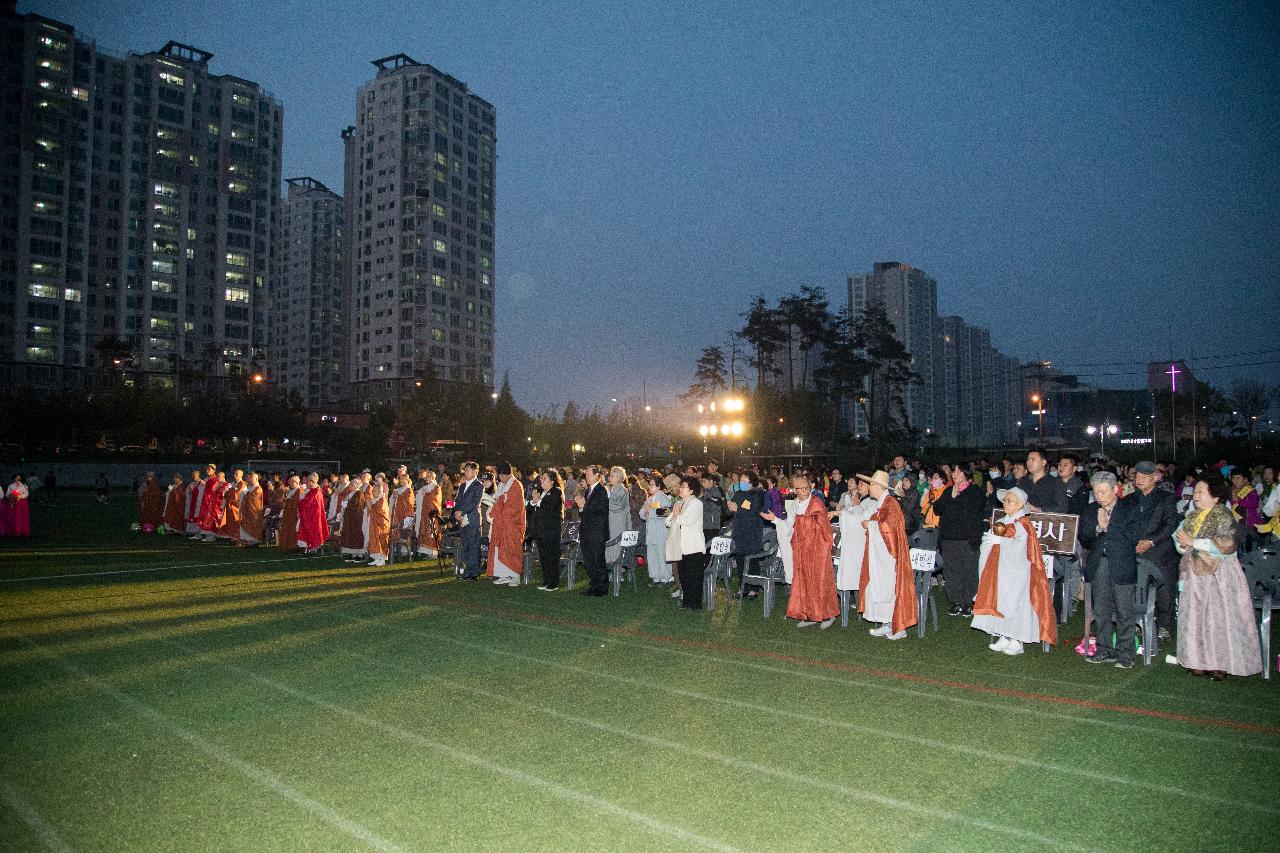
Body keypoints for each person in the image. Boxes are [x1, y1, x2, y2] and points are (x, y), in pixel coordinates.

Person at [1175, 472, 1263, 680]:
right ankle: (1197, 661)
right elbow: (1179, 540)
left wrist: (1193, 542)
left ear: (1215, 497)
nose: (1196, 496)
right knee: (1196, 617)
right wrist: (1182, 544)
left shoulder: (1223, 515)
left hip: (1219, 574)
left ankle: (1220, 665)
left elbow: (1226, 545)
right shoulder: (1192, 516)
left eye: (1202, 493)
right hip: (1196, 574)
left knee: (1218, 619)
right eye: (1196, 492)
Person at [971, 486, 1057, 655]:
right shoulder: (1004, 521)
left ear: (1020, 504)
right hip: (1001, 571)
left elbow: (1022, 549)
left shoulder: (1023, 524)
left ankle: (1017, 640)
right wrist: (989, 542)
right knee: (1001, 600)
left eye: (1010, 501)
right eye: (1005, 500)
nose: (1006, 504)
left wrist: (1001, 542)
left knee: (1015, 603)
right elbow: (992, 541)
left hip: (1017, 573)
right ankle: (1004, 635)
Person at [1078, 471, 1144, 668]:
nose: (1099, 496)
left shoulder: (1130, 508)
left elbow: (1134, 536)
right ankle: (1103, 649)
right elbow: (1084, 536)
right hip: (1100, 563)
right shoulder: (1091, 510)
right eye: (1096, 492)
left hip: (1122, 563)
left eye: (1104, 492)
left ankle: (1125, 653)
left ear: (1115, 489)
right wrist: (1097, 528)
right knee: (1101, 610)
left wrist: (1108, 526)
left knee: (1125, 610)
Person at [763, 472, 837, 628]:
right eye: (801, 488)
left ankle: (827, 615)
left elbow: (823, 527)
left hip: (817, 551)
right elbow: (790, 526)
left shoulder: (816, 503)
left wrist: (801, 521)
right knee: (804, 582)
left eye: (807, 487)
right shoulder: (794, 505)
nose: (805, 490)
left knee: (820, 582)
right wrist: (775, 520)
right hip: (802, 551)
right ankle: (809, 614)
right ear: (794, 490)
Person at [857, 470, 918, 639]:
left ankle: (899, 628)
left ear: (877, 486)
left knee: (891, 587)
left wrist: (871, 525)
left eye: (871, 484)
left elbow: (890, 528)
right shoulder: (881, 503)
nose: (869, 488)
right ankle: (888, 622)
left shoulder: (891, 503)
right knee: (882, 586)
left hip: (889, 556)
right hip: (880, 554)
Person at [1126, 460, 1179, 643]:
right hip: (1137, 551)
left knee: (1165, 592)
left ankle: (1165, 626)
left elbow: (1171, 523)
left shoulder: (1165, 497)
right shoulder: (1131, 499)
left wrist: (1151, 541)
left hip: (1160, 552)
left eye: (1144, 477)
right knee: (1138, 590)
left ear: (1154, 478)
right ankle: (1139, 625)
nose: (1139, 480)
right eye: (1137, 477)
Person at [931, 464, 985, 616]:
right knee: (952, 571)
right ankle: (957, 601)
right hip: (949, 538)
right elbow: (937, 508)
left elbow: (968, 512)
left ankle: (969, 602)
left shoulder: (975, 491)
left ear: (967, 474)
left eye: (958, 471)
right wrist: (951, 496)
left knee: (969, 570)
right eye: (954, 471)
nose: (954, 474)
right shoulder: (949, 490)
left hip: (967, 539)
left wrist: (954, 500)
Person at [667, 477, 707, 609]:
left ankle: (695, 603)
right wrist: (675, 515)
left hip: (693, 546)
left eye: (683, 486)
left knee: (694, 576)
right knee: (683, 575)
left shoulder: (696, 503)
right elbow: (667, 521)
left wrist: (676, 516)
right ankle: (687, 602)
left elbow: (688, 521)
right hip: (682, 546)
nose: (680, 488)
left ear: (691, 490)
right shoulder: (681, 503)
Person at [486, 462, 527, 587]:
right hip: (501, 522)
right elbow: (498, 500)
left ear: (509, 474)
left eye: (503, 476)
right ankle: (503, 574)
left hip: (512, 523)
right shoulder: (501, 485)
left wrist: (499, 505)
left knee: (511, 548)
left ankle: (514, 576)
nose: (501, 478)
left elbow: (515, 507)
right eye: (499, 476)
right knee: (500, 548)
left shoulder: (516, 485)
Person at [832, 474, 871, 601]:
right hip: (853, 541)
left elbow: (859, 519)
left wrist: (840, 513)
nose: (859, 487)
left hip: (861, 542)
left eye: (861, 484)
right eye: (858, 484)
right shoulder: (862, 500)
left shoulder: (870, 502)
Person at [575, 464, 610, 596]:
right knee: (589, 561)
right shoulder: (588, 491)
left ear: (597, 475)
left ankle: (602, 588)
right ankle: (593, 586)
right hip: (587, 531)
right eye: (586, 474)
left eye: (589, 474)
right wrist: (581, 508)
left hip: (597, 532)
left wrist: (584, 506)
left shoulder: (601, 490)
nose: (587, 477)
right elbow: (586, 512)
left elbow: (599, 510)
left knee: (598, 560)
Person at [531, 469, 565, 591]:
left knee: (552, 557)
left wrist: (538, 501)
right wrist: (534, 502)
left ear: (552, 481)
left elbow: (550, 509)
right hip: (541, 530)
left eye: (544, 478)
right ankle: (546, 580)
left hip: (551, 530)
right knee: (543, 557)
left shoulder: (556, 492)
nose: (541, 480)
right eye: (541, 478)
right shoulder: (541, 492)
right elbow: (535, 508)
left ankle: (553, 583)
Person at [639, 473, 674, 585]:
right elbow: (641, 512)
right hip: (651, 531)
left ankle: (664, 577)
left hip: (660, 531)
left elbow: (667, 512)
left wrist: (651, 511)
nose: (650, 487)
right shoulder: (649, 499)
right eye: (649, 485)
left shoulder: (663, 498)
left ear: (658, 486)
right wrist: (646, 512)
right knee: (652, 555)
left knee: (661, 554)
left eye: (652, 485)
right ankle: (655, 577)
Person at [454, 462, 484, 579]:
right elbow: (458, 501)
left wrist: (462, 512)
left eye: (467, 470)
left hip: (472, 519)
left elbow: (475, 502)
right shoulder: (462, 485)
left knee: (473, 546)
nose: (465, 472)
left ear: (475, 472)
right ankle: (468, 570)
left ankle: (473, 572)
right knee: (466, 545)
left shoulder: (478, 485)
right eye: (465, 470)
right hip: (462, 519)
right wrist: (457, 512)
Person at [1017, 448, 1067, 513]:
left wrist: (1039, 509)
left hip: (1045, 521)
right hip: (1023, 520)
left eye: (1033, 459)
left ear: (1043, 462)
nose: (1029, 462)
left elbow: (1062, 507)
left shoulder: (1056, 482)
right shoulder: (1023, 481)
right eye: (1028, 459)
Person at [296, 473, 329, 553]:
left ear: (313, 482)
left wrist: (301, 502)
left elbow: (308, 502)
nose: (307, 483)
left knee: (314, 531)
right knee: (309, 530)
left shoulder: (316, 491)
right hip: (309, 514)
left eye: (309, 481)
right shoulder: (312, 490)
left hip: (314, 515)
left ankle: (314, 547)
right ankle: (309, 547)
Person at [414, 469, 442, 558]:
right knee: (424, 531)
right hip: (424, 513)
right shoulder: (426, 487)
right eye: (426, 476)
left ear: (433, 477)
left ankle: (434, 552)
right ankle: (426, 551)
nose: (426, 478)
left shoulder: (436, 487)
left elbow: (435, 499)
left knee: (432, 532)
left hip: (432, 514)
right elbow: (418, 494)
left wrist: (426, 494)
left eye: (428, 476)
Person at [388, 472, 416, 558]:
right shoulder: (399, 489)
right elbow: (392, 500)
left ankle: (405, 551)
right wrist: (395, 496)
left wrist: (398, 497)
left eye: (403, 479)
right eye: (400, 479)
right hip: (396, 513)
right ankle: (397, 551)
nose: (401, 481)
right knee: (396, 531)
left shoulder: (409, 490)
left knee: (403, 532)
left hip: (405, 515)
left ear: (407, 480)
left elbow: (409, 503)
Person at [365, 480, 391, 566]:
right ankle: (376, 558)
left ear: (380, 491)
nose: (372, 492)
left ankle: (382, 559)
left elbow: (380, 511)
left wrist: (370, 506)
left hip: (381, 524)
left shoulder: (382, 500)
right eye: (372, 491)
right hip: (375, 524)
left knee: (381, 540)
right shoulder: (376, 500)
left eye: (374, 491)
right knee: (374, 539)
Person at [217, 469, 246, 543]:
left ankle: (237, 538)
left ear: (241, 475)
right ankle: (232, 537)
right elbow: (226, 494)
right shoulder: (234, 484)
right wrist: (231, 490)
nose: (234, 475)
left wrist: (231, 490)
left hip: (237, 506)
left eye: (237, 474)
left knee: (236, 523)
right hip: (230, 506)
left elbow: (236, 494)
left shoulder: (242, 484)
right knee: (231, 523)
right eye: (234, 474)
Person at [237, 472, 265, 547]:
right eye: (248, 478)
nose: (249, 480)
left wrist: (245, 493)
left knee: (254, 525)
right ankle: (248, 541)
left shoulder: (258, 488)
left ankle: (255, 541)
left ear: (256, 478)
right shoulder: (250, 487)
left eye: (251, 478)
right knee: (246, 524)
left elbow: (253, 498)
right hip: (247, 511)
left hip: (254, 511)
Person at [277, 475, 301, 551]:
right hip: (288, 514)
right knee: (287, 530)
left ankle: (293, 546)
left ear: (296, 482)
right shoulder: (291, 491)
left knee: (293, 531)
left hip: (293, 514)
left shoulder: (299, 491)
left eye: (291, 482)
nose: (290, 483)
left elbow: (296, 503)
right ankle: (287, 546)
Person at [184, 469, 204, 536]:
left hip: (198, 502)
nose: (193, 476)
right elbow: (186, 493)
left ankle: (198, 532)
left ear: (198, 475)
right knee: (191, 515)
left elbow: (202, 493)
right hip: (192, 502)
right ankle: (191, 531)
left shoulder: (202, 483)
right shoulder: (191, 484)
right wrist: (189, 492)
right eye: (192, 475)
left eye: (194, 475)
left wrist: (193, 490)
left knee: (197, 516)